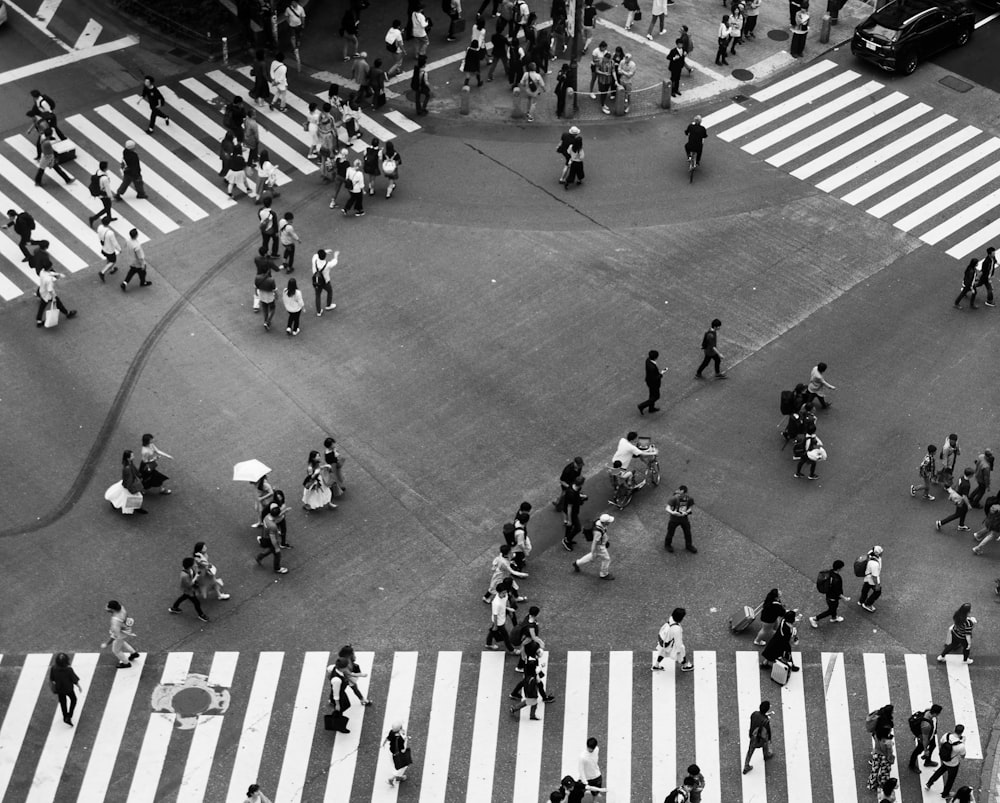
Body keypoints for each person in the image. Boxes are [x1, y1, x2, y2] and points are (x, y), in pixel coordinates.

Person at [808, 559, 849, 627]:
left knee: (834, 608)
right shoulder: (836, 579)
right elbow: (837, 592)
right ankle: (815, 618)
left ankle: (834, 617)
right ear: (839, 568)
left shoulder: (830, 572)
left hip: (829, 595)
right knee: (831, 610)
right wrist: (845, 598)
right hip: (832, 598)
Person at [651, 607, 694, 671]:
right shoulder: (676, 629)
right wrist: (679, 651)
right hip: (670, 643)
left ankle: (656, 665)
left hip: (664, 639)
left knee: (663, 651)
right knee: (681, 650)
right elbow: (678, 642)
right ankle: (685, 665)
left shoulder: (671, 618)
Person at [35, 262, 77, 327]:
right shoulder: (49, 280)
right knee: (58, 303)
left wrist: (58, 274)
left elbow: (49, 273)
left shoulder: (42, 272)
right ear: (50, 268)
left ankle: (39, 320)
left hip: (42, 291)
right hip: (48, 295)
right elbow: (50, 290)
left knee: (42, 306)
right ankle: (67, 313)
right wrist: (53, 297)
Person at [169, 557, 210, 622]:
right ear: (190, 566)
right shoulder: (184, 576)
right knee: (196, 602)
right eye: (194, 564)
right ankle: (201, 614)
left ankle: (174, 607)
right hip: (189, 590)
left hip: (188, 590)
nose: (195, 564)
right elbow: (190, 584)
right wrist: (196, 577)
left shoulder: (188, 570)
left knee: (183, 597)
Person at [101, 600, 140, 668]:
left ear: (112, 609)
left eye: (108, 607)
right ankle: (133, 653)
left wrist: (106, 644)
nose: (106, 607)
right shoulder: (122, 608)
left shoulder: (115, 621)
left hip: (120, 634)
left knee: (116, 650)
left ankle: (126, 663)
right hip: (125, 630)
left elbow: (114, 636)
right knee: (121, 642)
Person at [255, 503, 289, 574]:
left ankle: (259, 557)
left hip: (265, 536)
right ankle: (277, 568)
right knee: (277, 554)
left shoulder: (267, 517)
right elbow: (273, 538)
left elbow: (276, 517)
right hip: (270, 540)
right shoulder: (273, 526)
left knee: (270, 550)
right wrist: (277, 547)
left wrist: (283, 512)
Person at [50, 652, 82, 726]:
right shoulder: (69, 670)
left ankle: (65, 716)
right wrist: (79, 687)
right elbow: (74, 679)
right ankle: (69, 715)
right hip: (68, 689)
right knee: (73, 700)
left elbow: (52, 678)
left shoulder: (54, 668)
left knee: (63, 702)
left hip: (59, 689)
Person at [938, 466, 974, 532]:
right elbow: (964, 496)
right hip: (961, 500)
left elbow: (957, 484)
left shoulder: (962, 477)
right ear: (970, 475)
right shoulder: (967, 485)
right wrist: (968, 505)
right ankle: (941, 523)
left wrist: (953, 489)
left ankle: (961, 525)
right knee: (957, 514)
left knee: (964, 511)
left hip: (957, 496)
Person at [908, 703, 943, 771]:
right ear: (935, 714)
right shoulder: (926, 725)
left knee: (933, 746)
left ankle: (927, 761)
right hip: (925, 738)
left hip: (931, 736)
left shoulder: (928, 711)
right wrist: (925, 749)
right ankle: (911, 765)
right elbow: (925, 738)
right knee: (917, 751)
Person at [742, 700, 774, 774]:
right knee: (765, 744)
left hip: (753, 736)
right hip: (760, 739)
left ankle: (746, 766)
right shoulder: (766, 721)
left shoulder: (754, 714)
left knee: (750, 751)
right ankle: (766, 755)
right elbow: (767, 732)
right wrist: (769, 739)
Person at [664, 485, 697, 553]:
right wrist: (673, 513)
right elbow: (667, 508)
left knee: (687, 533)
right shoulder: (674, 498)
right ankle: (667, 545)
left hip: (684, 519)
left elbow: (690, 507)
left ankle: (689, 545)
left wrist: (686, 512)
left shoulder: (689, 499)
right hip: (674, 519)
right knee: (670, 532)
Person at [867, 722, 895, 791]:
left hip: (876, 754)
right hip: (884, 757)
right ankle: (882, 784)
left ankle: (871, 784)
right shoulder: (888, 742)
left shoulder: (876, 736)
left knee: (874, 770)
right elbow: (889, 753)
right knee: (884, 772)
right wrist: (891, 759)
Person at [562, 477, 588, 550]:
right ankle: (567, 540)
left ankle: (567, 538)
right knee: (578, 528)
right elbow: (569, 507)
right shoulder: (571, 494)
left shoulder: (574, 487)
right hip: (572, 512)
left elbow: (577, 494)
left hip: (574, 510)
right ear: (581, 484)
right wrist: (569, 520)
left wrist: (581, 496)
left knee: (570, 526)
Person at [311, 248, 339, 315]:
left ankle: (318, 312)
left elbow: (316, 255)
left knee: (317, 295)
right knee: (329, 291)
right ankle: (328, 305)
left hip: (316, 280)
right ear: (325, 256)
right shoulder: (327, 264)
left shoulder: (314, 259)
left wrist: (325, 251)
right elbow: (334, 262)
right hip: (325, 282)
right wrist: (336, 256)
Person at [638, 349, 666, 415]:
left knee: (652, 395)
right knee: (656, 396)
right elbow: (656, 378)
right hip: (654, 384)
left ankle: (651, 408)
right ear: (655, 357)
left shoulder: (647, 360)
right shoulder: (652, 368)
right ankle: (642, 406)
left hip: (649, 381)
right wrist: (662, 373)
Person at [386, 722, 413, 787]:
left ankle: (398, 777)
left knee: (394, 765)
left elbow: (388, 739)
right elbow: (403, 749)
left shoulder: (391, 732)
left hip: (392, 752)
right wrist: (406, 739)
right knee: (403, 765)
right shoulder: (401, 737)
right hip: (398, 754)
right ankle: (393, 778)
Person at [578, 737, 605, 801]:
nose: (590, 750)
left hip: (596, 775)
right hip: (586, 778)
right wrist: (585, 782)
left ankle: (594, 800)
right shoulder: (582, 757)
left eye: (592, 749)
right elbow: (581, 770)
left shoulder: (596, 749)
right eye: (589, 748)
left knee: (595, 792)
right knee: (579, 793)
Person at [858, 545, 883, 612]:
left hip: (867, 576)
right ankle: (867, 604)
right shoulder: (874, 564)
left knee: (866, 588)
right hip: (871, 578)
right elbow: (874, 576)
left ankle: (861, 600)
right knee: (877, 592)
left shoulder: (870, 554)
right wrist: (877, 585)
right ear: (878, 553)